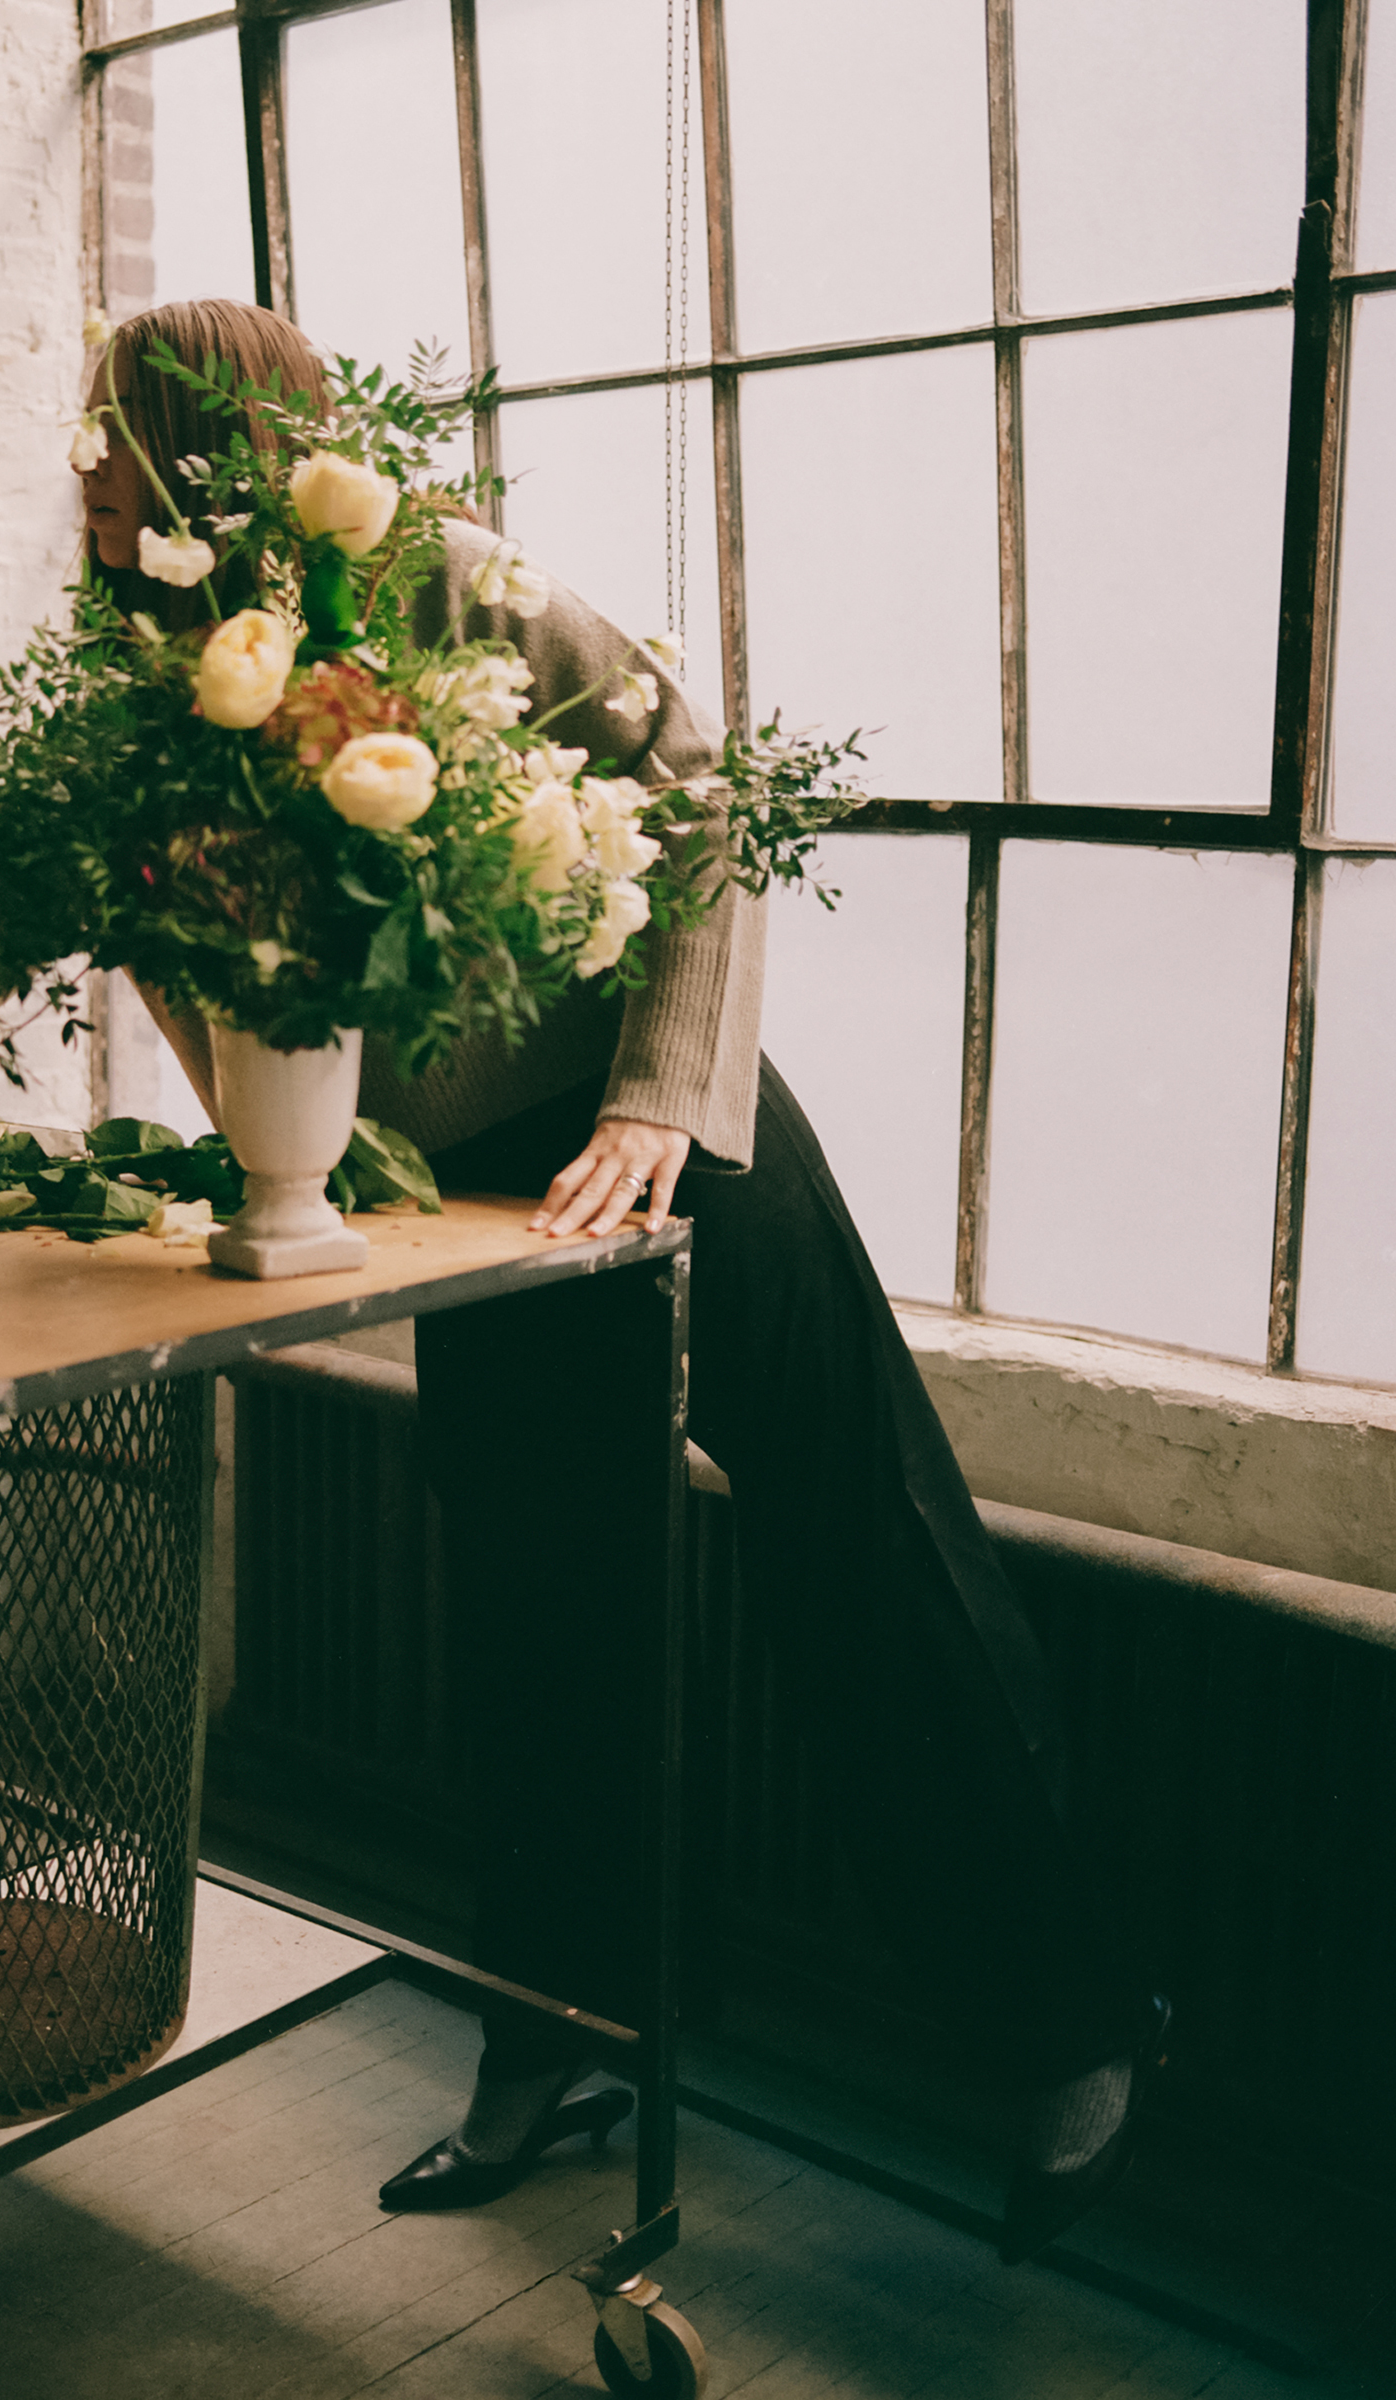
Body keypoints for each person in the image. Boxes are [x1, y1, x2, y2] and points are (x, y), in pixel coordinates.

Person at [71, 299, 1167, 2265]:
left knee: (870, 1550)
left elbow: (705, 799)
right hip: (458, 1193)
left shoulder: (450, 584)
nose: (79, 471)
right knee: (537, 1617)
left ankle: (1074, 2024)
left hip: (662, 1128)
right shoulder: (150, 699)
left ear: (193, 453)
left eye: (103, 433)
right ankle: (560, 2049)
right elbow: (184, 963)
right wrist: (298, 1164)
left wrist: (665, 1097)